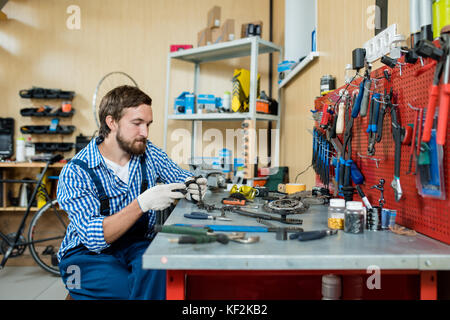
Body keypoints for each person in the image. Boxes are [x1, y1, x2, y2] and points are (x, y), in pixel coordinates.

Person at [56, 85, 207, 300]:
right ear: (111, 122)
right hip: (83, 257)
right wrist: (142, 204)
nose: (145, 132)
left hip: (136, 244)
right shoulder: (76, 171)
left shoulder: (148, 153)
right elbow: (93, 238)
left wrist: (193, 185)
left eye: (148, 124)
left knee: (162, 275)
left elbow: (178, 176)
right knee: (125, 291)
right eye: (137, 123)